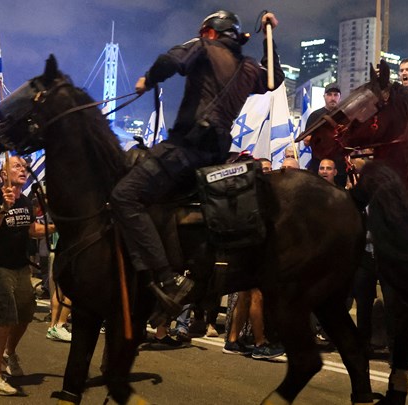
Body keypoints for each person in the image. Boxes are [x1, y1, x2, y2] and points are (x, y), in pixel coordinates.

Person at [110, 10, 283, 319]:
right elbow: (274, 79)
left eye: (205, 32)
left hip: (186, 148)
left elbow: (170, 61)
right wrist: (270, 37)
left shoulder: (204, 46)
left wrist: (147, 80)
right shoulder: (248, 68)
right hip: (216, 153)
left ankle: (167, 278)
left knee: (125, 195)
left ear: (211, 32)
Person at [0, 156, 55, 396]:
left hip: (20, 267)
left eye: (25, 167)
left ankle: (8, 353)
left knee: (25, 314)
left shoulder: (24, 200)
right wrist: (2, 209)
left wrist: (58, 226)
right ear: (3, 171)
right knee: (5, 318)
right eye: (17, 167)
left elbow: (31, 230)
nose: (23, 170)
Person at [304, 82, 347, 186]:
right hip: (319, 165)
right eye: (329, 94)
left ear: (340, 97)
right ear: (324, 97)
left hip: (340, 167)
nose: (332, 98)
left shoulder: (345, 116)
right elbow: (306, 141)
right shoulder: (315, 116)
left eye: (335, 95)